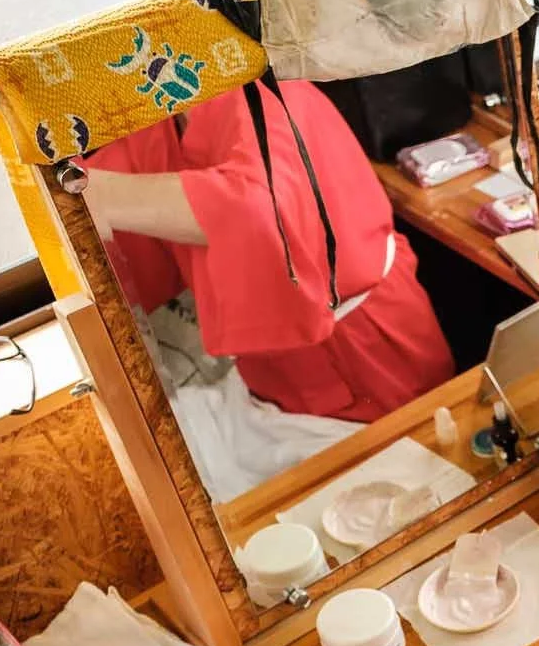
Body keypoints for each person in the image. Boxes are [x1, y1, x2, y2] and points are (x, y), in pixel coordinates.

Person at [82, 79, 454, 422]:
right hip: (268, 370)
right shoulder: (161, 116)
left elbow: (256, 209)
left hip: (365, 347)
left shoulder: (263, 89)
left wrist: (95, 193)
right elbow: (112, 226)